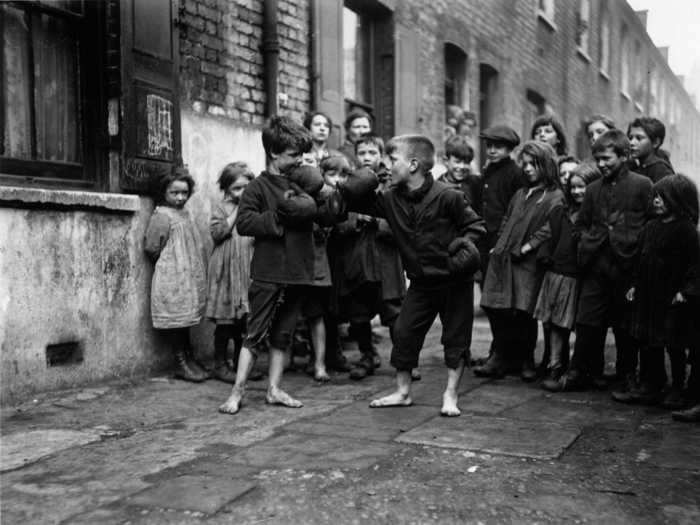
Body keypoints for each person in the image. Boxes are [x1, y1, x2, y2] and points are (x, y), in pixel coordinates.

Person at [337, 134, 485, 415]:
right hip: (421, 283)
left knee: (456, 339)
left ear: (414, 164)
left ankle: (450, 395)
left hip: (455, 283)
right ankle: (403, 392)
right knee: (403, 333)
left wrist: (460, 253)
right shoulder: (391, 198)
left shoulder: (448, 195)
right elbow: (355, 202)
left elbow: (476, 226)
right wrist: (367, 177)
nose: (388, 164)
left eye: (393, 160)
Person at [219, 116, 328, 415]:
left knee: (283, 334)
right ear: (274, 154)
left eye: (302, 156)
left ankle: (274, 389)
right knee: (255, 333)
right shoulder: (257, 187)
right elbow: (244, 223)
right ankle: (236, 392)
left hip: (298, 269)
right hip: (268, 271)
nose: (299, 161)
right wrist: (280, 217)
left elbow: (320, 216)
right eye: (293, 155)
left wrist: (323, 206)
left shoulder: (303, 183)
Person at [560, 129, 653, 392]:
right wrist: (585, 242)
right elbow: (582, 223)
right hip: (595, 265)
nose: (601, 164)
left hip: (627, 266)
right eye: (597, 159)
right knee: (587, 320)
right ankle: (581, 371)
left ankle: (626, 375)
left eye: (606, 159)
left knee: (625, 326)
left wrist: (635, 248)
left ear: (623, 156)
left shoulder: (642, 185)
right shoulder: (592, 190)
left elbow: (649, 222)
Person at [479, 141, 566, 382]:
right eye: (525, 164)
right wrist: (499, 244)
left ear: (546, 165)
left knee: (523, 311)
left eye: (533, 164)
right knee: (499, 307)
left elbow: (550, 226)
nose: (527, 169)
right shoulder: (520, 193)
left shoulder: (554, 196)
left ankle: (526, 358)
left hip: (527, 262)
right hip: (504, 258)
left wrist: (529, 246)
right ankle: (501, 357)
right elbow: (507, 219)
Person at [616, 174, 699, 406]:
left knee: (674, 344)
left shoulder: (686, 231)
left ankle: (677, 387)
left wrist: (686, 291)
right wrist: (633, 285)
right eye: (655, 197)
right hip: (648, 295)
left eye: (663, 197)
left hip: (672, 299)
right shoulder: (650, 227)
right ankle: (651, 383)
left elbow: (695, 266)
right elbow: (638, 260)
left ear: (679, 200)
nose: (657, 201)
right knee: (647, 340)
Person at [538, 163, 601, 391]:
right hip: (557, 273)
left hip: (581, 277)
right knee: (554, 323)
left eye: (582, 187)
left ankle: (579, 369)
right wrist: (546, 256)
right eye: (573, 187)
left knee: (580, 326)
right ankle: (555, 365)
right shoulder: (560, 211)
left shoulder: (595, 216)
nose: (577, 192)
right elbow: (548, 237)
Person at [144, 166, 208, 382]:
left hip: (187, 275)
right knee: (177, 320)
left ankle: (189, 358)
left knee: (186, 317)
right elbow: (152, 247)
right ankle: (180, 362)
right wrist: (171, 263)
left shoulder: (185, 213)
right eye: (175, 193)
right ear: (163, 192)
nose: (181, 197)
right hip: (173, 275)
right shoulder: (162, 216)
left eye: (184, 193)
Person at [471, 125, 526, 373]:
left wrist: (504, 243)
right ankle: (498, 351)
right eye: (489, 145)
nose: (492, 150)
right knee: (490, 300)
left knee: (501, 303)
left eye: (499, 147)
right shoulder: (488, 172)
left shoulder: (515, 174)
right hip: (486, 242)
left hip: (502, 245)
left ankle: (505, 357)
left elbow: (516, 212)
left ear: (510, 149)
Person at [205, 162, 261, 383]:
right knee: (225, 321)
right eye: (237, 188)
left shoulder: (256, 207)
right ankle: (219, 364)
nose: (242, 193)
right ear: (227, 189)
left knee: (244, 321)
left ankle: (240, 364)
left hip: (247, 268)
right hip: (226, 271)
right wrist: (239, 209)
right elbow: (218, 233)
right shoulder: (221, 208)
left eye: (246, 187)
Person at [438, 135, 483, 216]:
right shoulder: (437, 188)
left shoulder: (475, 183)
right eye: (457, 162)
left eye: (466, 162)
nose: (462, 167)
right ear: (446, 161)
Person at [627, 117, 674, 183]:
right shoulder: (639, 167)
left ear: (655, 143)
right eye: (630, 138)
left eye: (639, 138)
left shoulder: (661, 171)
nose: (631, 143)